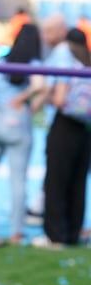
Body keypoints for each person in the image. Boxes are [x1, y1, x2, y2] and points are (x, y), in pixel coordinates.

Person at [0, 23, 44, 246]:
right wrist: (24, 101)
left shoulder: (2, 60)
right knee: (18, 181)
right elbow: (41, 84)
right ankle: (17, 232)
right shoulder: (34, 63)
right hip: (18, 122)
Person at [35, 25, 91, 248]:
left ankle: (55, 236)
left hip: (65, 125)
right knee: (77, 182)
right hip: (85, 129)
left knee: (56, 181)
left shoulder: (66, 60)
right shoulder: (87, 63)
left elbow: (59, 99)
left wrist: (45, 99)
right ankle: (72, 233)